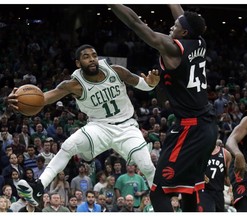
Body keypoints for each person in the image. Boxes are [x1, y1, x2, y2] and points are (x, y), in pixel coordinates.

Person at [7, 44, 159, 206]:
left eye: (94, 55)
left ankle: (160, 199)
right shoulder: (73, 85)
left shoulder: (116, 71)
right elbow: (43, 99)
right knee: (68, 145)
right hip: (99, 127)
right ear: (78, 64)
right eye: (86, 57)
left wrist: (151, 83)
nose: (92, 59)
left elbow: (143, 84)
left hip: (127, 127)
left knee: (147, 167)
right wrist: (18, 101)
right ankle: (38, 187)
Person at [109, 4, 218, 212]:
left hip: (190, 128)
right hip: (206, 125)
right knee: (188, 189)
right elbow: (182, 16)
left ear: (183, 32)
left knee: (158, 191)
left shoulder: (172, 48)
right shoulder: (199, 41)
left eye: (175, 25)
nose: (171, 26)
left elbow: (136, 23)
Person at [198, 139, 232, 212]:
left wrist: (232, 187)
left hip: (219, 192)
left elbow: (227, 176)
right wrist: (200, 175)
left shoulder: (225, 154)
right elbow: (191, 169)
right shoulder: (200, 152)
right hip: (204, 191)